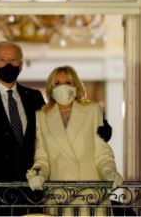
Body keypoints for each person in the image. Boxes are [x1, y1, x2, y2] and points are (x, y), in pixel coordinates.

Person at [0, 41, 113, 214]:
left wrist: (101, 126)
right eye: (2, 59)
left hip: (29, 196)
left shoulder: (34, 98)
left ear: (21, 65)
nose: (8, 64)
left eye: (13, 60)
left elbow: (60, 126)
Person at [26, 65, 124, 216]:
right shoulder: (42, 116)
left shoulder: (92, 110)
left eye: (68, 82)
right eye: (57, 83)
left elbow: (102, 153)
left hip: (91, 196)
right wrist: (38, 175)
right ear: (51, 88)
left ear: (76, 86)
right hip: (59, 197)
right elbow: (42, 158)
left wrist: (109, 172)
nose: (63, 87)